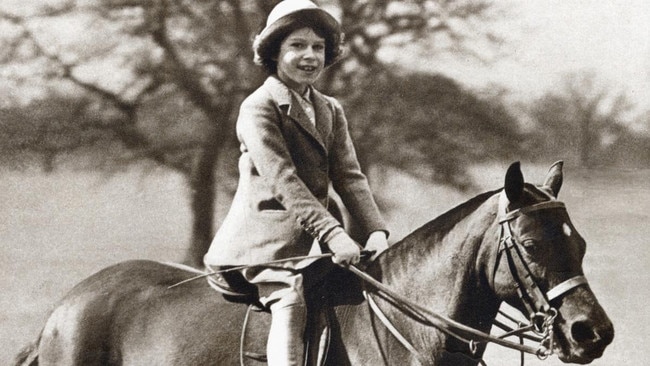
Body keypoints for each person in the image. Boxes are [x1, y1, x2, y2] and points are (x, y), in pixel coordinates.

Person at [203, 0, 389, 364]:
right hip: (262, 242)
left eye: (318, 47)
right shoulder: (258, 107)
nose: (310, 56)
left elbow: (349, 176)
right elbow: (283, 181)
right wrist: (335, 234)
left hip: (311, 242)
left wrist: (375, 230)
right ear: (275, 52)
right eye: (297, 46)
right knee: (289, 302)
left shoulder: (330, 109)